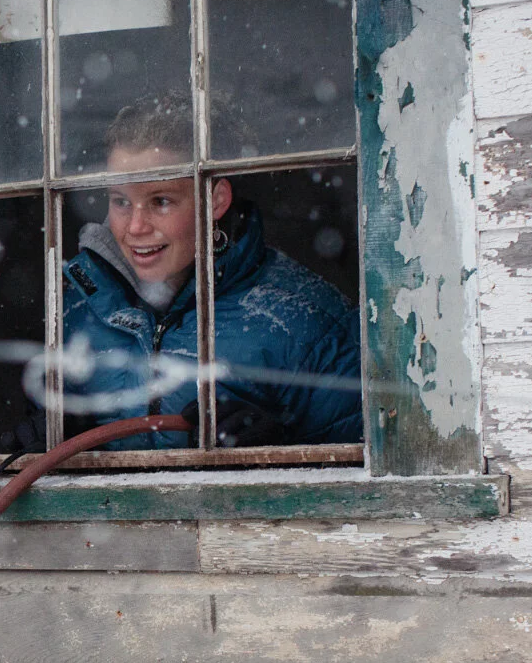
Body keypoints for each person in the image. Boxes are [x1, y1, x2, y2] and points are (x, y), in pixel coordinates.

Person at [61, 95, 362, 450]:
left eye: (161, 201)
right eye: (121, 201)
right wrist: (45, 438)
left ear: (215, 200)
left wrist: (282, 454)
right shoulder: (79, 307)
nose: (135, 227)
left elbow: (366, 486)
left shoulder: (308, 323)